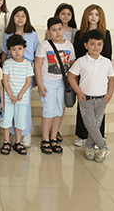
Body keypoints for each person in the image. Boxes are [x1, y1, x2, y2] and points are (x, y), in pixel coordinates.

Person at [67, 29, 114, 162]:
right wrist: (78, 92)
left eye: (99, 44)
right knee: (90, 125)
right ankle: (103, 147)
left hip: (101, 100)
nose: (96, 47)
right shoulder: (81, 61)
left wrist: (110, 93)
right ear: (86, 45)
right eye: (92, 44)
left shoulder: (106, 62)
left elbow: (111, 79)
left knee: (95, 126)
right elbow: (71, 76)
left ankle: (89, 147)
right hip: (85, 100)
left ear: (103, 45)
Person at [73, 4, 112, 147]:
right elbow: (77, 53)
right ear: (86, 16)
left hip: (100, 72)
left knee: (99, 110)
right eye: (91, 14)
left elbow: (108, 54)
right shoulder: (80, 33)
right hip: (84, 71)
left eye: (96, 14)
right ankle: (82, 135)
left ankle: (97, 138)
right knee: (83, 104)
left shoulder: (106, 33)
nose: (93, 17)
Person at [35, 17, 76, 155]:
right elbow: (37, 66)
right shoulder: (44, 46)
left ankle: (53, 138)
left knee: (59, 110)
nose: (57, 32)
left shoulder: (69, 45)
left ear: (63, 29)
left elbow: (72, 64)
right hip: (48, 82)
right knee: (49, 110)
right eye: (54, 30)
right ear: (48, 31)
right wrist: (40, 84)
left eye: (59, 29)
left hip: (63, 83)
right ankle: (45, 139)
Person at [1, 6, 39, 147]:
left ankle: (25, 133)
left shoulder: (32, 33)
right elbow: (4, 53)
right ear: (13, 18)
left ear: (27, 18)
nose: (20, 18)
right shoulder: (8, 34)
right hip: (11, 69)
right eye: (17, 15)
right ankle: (12, 134)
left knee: (24, 104)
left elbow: (36, 54)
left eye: (23, 15)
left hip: (26, 69)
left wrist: (35, 75)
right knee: (10, 103)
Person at [0, 34, 33, 155]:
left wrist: (20, 95)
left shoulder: (27, 64)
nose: (17, 52)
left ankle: (18, 142)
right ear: (9, 51)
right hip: (8, 99)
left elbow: (28, 81)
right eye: (14, 49)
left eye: (19, 48)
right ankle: (6, 141)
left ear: (24, 49)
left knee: (20, 121)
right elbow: (5, 81)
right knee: (7, 120)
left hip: (22, 99)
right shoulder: (7, 63)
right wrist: (10, 96)